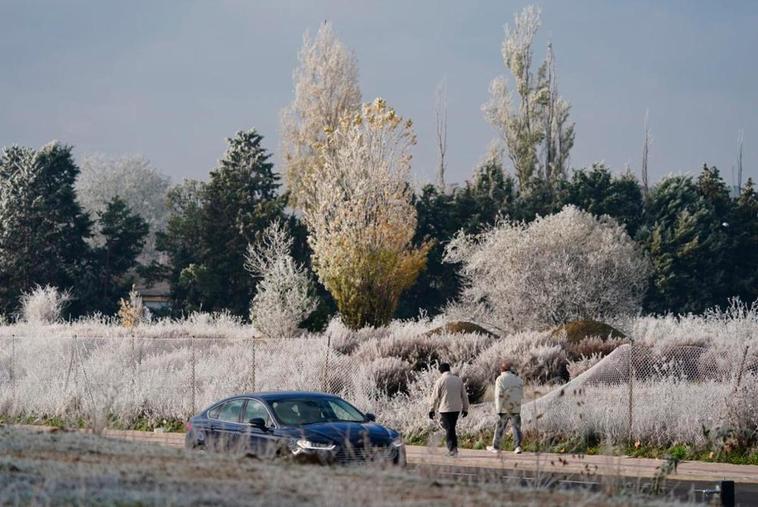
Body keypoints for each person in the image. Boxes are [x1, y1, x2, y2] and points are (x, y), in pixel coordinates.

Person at [429, 363, 469, 456]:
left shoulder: (440, 381)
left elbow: (434, 397)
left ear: (441, 371)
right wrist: (465, 408)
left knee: (449, 428)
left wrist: (431, 409)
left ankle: (452, 449)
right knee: (451, 427)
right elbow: (464, 396)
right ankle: (453, 448)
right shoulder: (458, 380)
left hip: (445, 408)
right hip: (456, 409)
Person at [487, 361, 523, 455]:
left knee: (500, 427)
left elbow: (499, 395)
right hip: (516, 406)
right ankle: (517, 446)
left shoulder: (500, 379)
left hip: (505, 407)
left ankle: (496, 446)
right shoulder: (518, 379)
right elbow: (521, 392)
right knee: (516, 427)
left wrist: (498, 409)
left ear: (501, 369)